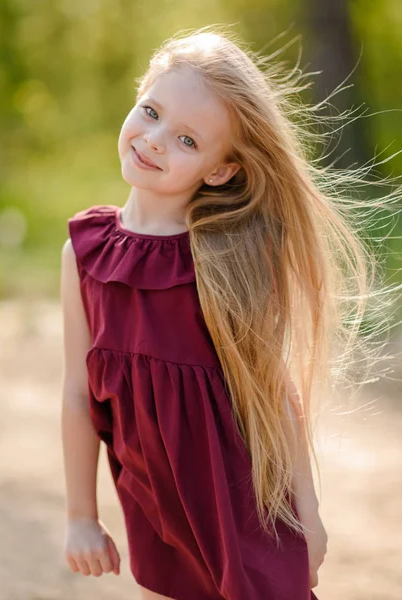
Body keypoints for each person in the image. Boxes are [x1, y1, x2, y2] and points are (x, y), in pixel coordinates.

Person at [60, 25, 388, 600]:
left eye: (188, 141)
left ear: (221, 170)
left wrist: (307, 513)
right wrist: (80, 516)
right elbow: (75, 394)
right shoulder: (84, 254)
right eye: (151, 111)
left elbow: (271, 388)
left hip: (241, 505)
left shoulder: (222, 257)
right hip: (153, 502)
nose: (156, 139)